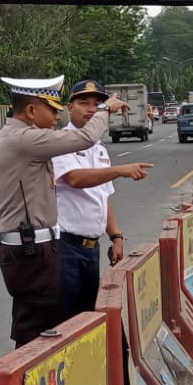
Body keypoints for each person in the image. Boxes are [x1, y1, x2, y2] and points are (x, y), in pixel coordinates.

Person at [0, 75, 129, 348]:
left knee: (57, 324)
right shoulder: (27, 139)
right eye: (52, 109)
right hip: (36, 248)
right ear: (31, 111)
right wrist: (105, 110)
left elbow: (103, 196)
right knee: (44, 330)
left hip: (38, 246)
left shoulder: (16, 137)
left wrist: (115, 235)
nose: (56, 115)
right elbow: (83, 146)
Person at [52, 80, 154, 321]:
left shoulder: (98, 148)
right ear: (70, 107)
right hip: (65, 247)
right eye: (84, 103)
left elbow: (103, 196)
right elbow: (75, 178)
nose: (91, 109)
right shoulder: (61, 142)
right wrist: (119, 170)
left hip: (91, 248)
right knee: (67, 319)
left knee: (89, 316)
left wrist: (116, 236)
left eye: (97, 104)